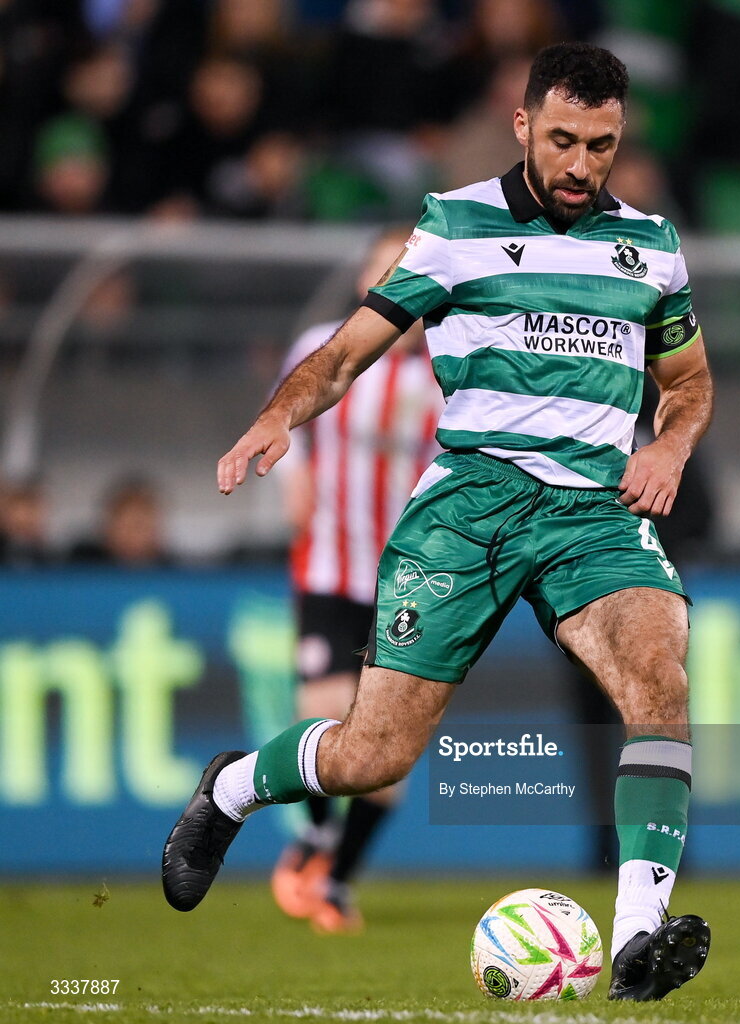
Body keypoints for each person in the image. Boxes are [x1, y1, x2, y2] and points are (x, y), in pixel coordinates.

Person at [164, 42, 714, 1003]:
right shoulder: (454, 227)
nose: (582, 164)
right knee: (371, 757)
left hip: (590, 512)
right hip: (465, 511)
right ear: (522, 126)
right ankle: (232, 788)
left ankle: (637, 936)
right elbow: (345, 356)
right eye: (562, 140)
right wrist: (274, 417)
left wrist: (666, 449)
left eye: (601, 144)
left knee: (659, 675)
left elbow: (690, 383)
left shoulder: (651, 245)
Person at [269, 227, 444, 933]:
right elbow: (287, 420)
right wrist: (291, 473)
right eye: (384, 270)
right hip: (329, 564)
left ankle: (337, 882)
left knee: (389, 749)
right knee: (321, 712)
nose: (395, 281)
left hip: (410, 582)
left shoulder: (447, 367)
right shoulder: (323, 344)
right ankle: (315, 838)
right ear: (364, 283)